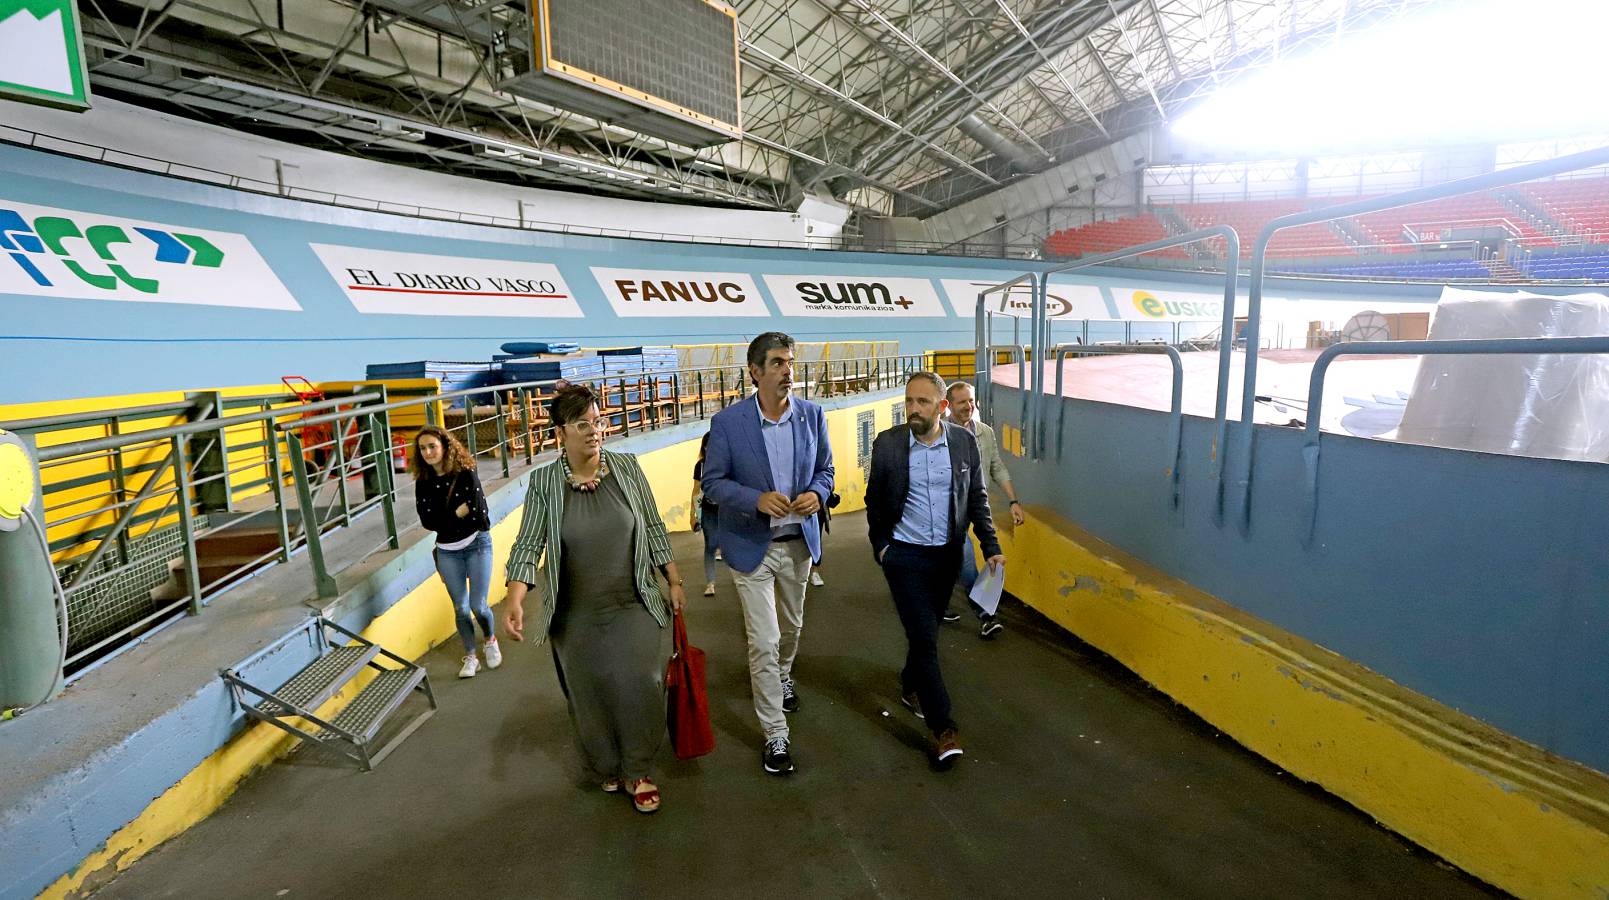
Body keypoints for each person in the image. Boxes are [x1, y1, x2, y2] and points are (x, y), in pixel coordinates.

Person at [502, 383, 687, 814]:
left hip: (633, 601)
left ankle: (638, 768)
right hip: (575, 613)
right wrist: (515, 599)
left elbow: (654, 527)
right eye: (582, 423)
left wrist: (673, 579)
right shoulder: (544, 483)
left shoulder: (627, 469)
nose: (594, 430)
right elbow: (528, 544)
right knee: (590, 692)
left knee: (641, 682)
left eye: (598, 421)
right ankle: (608, 765)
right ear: (559, 434)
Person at [702, 331, 834, 776]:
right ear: (755, 372)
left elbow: (826, 471)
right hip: (750, 548)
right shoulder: (728, 424)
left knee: (791, 630)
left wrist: (818, 492)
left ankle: (783, 674)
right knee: (764, 640)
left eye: (790, 362)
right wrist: (754, 499)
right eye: (777, 363)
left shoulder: (813, 417)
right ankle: (775, 735)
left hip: (798, 543)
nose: (787, 371)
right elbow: (713, 483)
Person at [866, 371, 1003, 768]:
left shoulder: (962, 443)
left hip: (946, 556)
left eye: (922, 402)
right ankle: (944, 729)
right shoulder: (889, 444)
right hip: (904, 558)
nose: (913, 409)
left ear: (941, 408)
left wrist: (990, 546)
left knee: (925, 633)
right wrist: (882, 549)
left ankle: (910, 682)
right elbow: (875, 502)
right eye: (909, 401)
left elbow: (976, 497)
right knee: (925, 639)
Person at [410, 425, 498, 679]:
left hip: (477, 543)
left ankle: (490, 640)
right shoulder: (423, 483)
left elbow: (480, 515)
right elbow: (428, 523)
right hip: (447, 551)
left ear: (445, 446)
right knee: (460, 608)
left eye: (432, 446)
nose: (428, 452)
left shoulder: (466, 473)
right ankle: (471, 656)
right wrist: (456, 514)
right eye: (423, 448)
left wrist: (445, 519)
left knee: (478, 605)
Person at [942, 380, 1024, 639]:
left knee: (949, 559)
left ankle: (938, 602)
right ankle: (986, 616)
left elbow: (996, 467)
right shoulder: (940, 433)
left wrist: (1013, 502)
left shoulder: (985, 432)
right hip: (948, 511)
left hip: (976, 507)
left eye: (971, 401)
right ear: (948, 405)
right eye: (962, 402)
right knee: (965, 561)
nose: (969, 406)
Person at [691, 433, 720, 597]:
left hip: (726, 509)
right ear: (705, 447)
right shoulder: (700, 466)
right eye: (708, 446)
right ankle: (710, 583)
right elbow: (695, 491)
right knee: (710, 545)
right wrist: (692, 515)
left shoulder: (726, 463)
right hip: (708, 509)